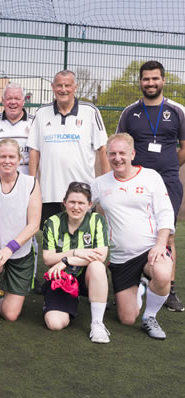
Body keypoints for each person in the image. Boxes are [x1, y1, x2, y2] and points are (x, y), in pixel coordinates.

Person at [117, 60, 185, 312]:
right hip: (135, 181)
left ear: (163, 80)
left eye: (155, 78)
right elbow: (120, 144)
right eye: (146, 79)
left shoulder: (177, 111)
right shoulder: (129, 112)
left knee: (166, 233)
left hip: (167, 182)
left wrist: (165, 169)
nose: (150, 83)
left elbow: (183, 148)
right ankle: (129, 282)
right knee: (132, 228)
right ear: (140, 82)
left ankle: (169, 288)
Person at [92, 133, 174, 340]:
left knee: (163, 273)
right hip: (121, 258)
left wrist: (160, 245)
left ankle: (150, 317)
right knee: (127, 319)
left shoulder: (151, 177)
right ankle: (141, 288)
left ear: (132, 154)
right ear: (107, 156)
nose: (117, 158)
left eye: (122, 153)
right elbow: (81, 205)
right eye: (112, 154)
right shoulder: (100, 183)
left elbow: (165, 213)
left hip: (149, 250)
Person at [0, 139, 41, 335]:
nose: (7, 160)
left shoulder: (31, 183)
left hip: (19, 252)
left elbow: (34, 224)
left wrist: (9, 248)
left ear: (19, 159)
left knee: (11, 315)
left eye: (12, 156)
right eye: (2, 156)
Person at [28, 70, 109, 227]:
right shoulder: (41, 113)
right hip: (50, 194)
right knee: (51, 245)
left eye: (67, 85)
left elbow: (102, 149)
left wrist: (106, 185)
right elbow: (34, 151)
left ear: (75, 87)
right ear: (53, 87)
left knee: (81, 246)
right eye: (59, 85)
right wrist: (33, 185)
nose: (63, 89)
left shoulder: (90, 111)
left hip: (82, 194)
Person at [41, 182, 110, 343]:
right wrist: (74, 252)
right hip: (63, 277)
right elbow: (48, 258)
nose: (76, 207)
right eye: (72, 202)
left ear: (90, 205)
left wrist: (67, 260)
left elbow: (100, 256)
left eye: (81, 203)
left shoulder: (97, 221)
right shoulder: (52, 222)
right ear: (64, 203)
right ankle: (70, 300)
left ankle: (97, 323)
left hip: (87, 277)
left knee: (97, 266)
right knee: (54, 324)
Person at [0, 82, 39, 294]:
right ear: (3, 100)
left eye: (17, 98)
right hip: (0, 187)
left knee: (28, 232)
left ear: (24, 100)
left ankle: (30, 279)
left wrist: (34, 182)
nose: (13, 102)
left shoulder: (35, 123)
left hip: (26, 188)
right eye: (9, 98)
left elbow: (37, 153)